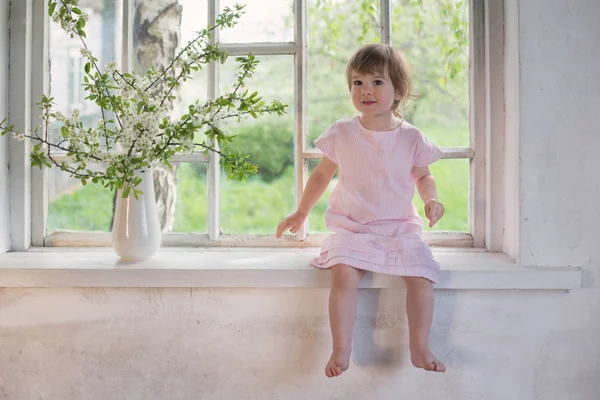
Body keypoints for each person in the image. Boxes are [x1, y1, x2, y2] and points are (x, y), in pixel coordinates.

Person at [276, 43, 446, 377]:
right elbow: (322, 174)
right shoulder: (343, 132)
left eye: (377, 82)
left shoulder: (411, 138)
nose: (365, 90)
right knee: (343, 275)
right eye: (357, 82)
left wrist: (431, 199)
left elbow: (424, 175)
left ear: (399, 90)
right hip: (353, 227)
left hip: (399, 227)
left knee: (422, 275)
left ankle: (419, 347)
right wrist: (301, 212)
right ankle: (341, 349)